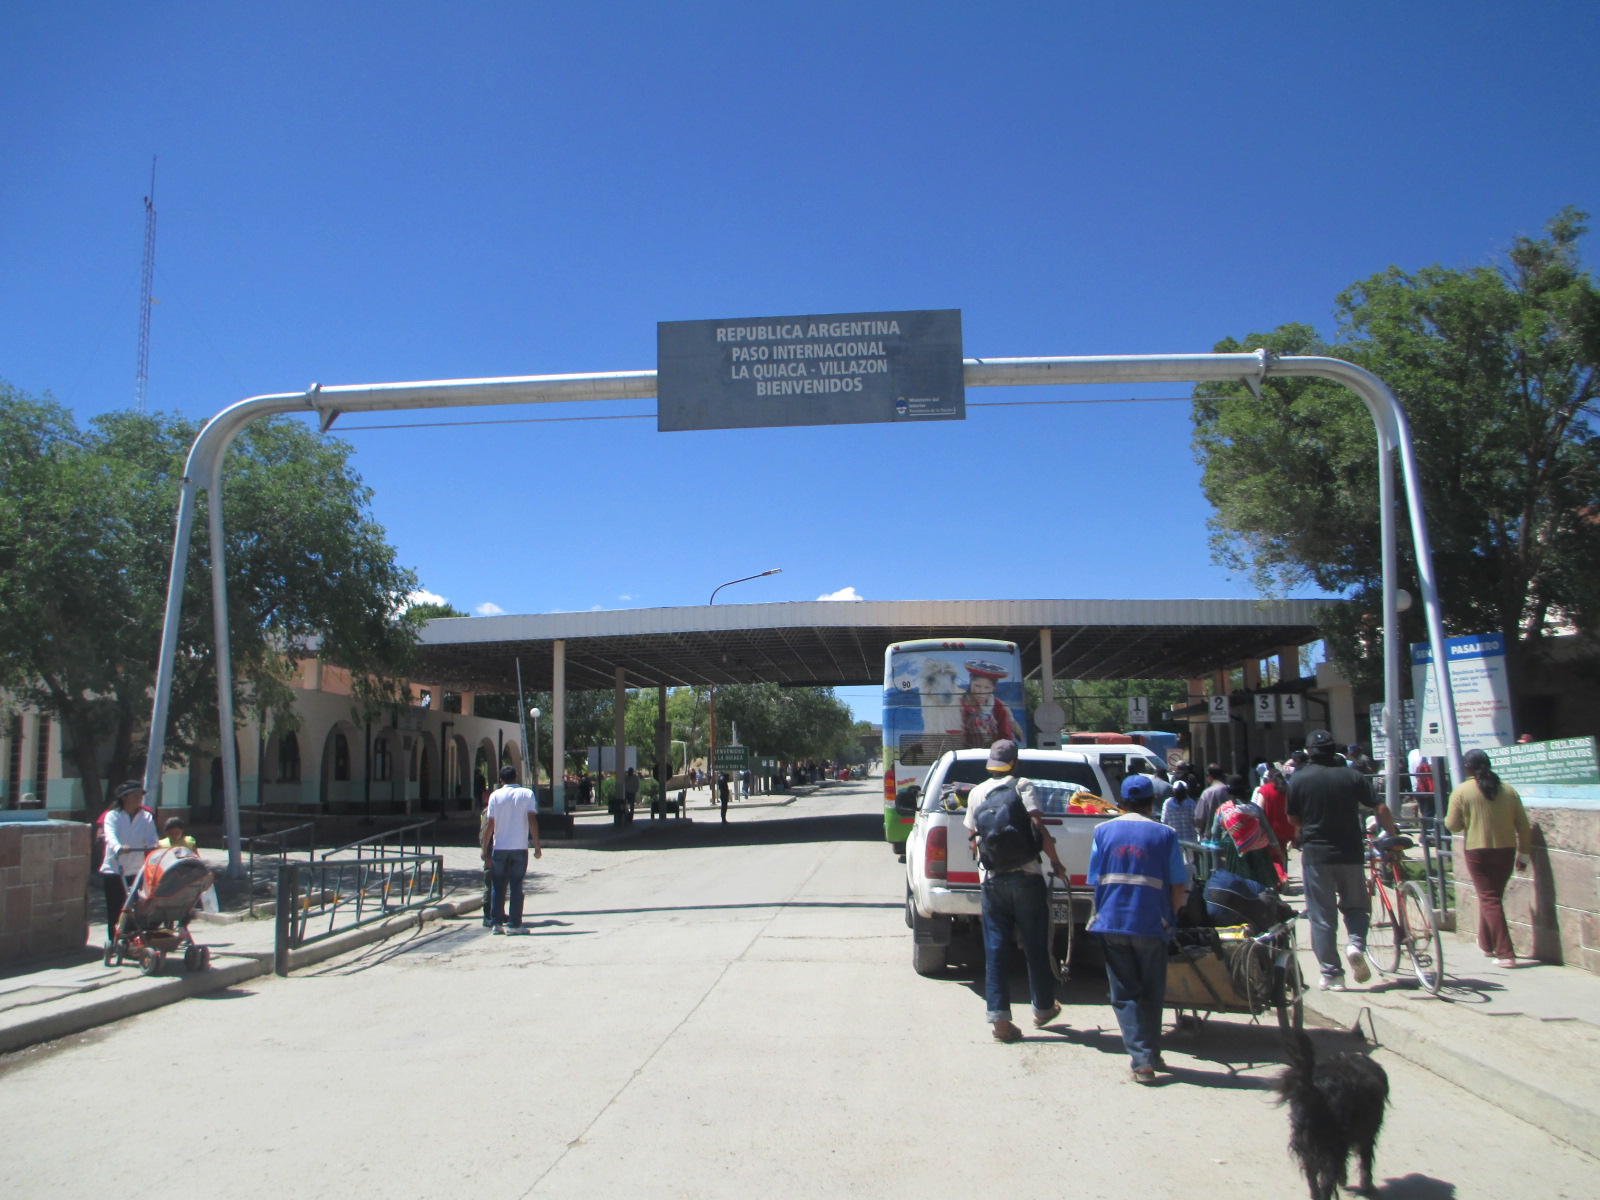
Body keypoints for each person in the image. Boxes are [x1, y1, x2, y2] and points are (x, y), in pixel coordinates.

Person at [1088, 773, 1189, 1083]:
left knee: (1124, 993)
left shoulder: (1103, 831)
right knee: (1152, 991)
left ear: (1122, 802)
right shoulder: (1166, 834)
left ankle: (1143, 1058)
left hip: (1112, 922)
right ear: (1151, 802)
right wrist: (1170, 918)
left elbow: (1095, 880)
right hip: (1152, 923)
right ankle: (1149, 1054)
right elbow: (1179, 885)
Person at [963, 739, 1066, 1043]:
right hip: (1027, 875)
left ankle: (1000, 1021)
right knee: (1036, 945)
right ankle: (1043, 1008)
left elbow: (973, 838)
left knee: (995, 950)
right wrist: (1056, 863)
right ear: (1015, 762)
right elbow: (1038, 827)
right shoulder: (1022, 785)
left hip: (992, 880)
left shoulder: (977, 792)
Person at [1287, 729, 1399, 990]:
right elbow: (1380, 807)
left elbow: (1292, 818)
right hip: (1350, 852)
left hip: (1316, 855)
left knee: (1322, 917)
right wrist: (1392, 836)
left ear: (1309, 753)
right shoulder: (1352, 776)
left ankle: (1332, 974)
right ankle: (1355, 945)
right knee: (1357, 907)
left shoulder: (1299, 779)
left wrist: (1309, 824)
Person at [1446, 748, 1532, 968]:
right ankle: (1486, 943)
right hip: (1507, 849)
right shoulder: (1508, 790)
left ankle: (1505, 954)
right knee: (1493, 897)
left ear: (1467, 768)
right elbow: (1523, 825)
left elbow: (1452, 825)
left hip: (1477, 851)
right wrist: (1524, 855)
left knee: (1489, 898)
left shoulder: (1462, 791)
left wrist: (1467, 819)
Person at [482, 766, 542, 934]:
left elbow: (490, 824)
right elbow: (532, 820)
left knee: (497, 885)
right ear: (516, 776)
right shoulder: (527, 794)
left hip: (499, 847)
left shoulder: (495, 796)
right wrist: (537, 846)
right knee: (516, 886)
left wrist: (485, 848)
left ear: (501, 780)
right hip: (519, 846)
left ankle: (496, 923)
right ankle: (514, 925)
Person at [100, 781, 157, 940]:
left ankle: (133, 940)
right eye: (135, 795)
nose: (139, 798)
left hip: (136, 870)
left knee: (135, 908)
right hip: (114, 869)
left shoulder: (146, 817)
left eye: (140, 795)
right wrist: (118, 847)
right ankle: (114, 941)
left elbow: (151, 837)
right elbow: (110, 835)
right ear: (124, 797)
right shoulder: (113, 816)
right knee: (116, 908)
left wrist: (154, 845)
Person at [1207, 786, 1284, 889]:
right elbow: (1267, 828)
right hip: (1257, 850)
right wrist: (1276, 846)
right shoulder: (1255, 808)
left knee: (1237, 883)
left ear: (1230, 794)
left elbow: (1214, 832)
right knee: (1259, 883)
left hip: (1232, 851)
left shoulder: (1222, 810)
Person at [1194, 765, 1230, 835]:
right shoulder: (1229, 790)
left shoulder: (1207, 793)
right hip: (1228, 834)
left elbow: (1199, 817)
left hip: (1210, 836)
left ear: (1209, 776)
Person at [1160, 779, 1198, 845]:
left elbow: (1164, 822)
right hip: (1190, 843)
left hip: (1174, 842)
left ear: (1174, 791)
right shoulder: (1192, 803)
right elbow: (1196, 822)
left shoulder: (1167, 804)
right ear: (1186, 791)